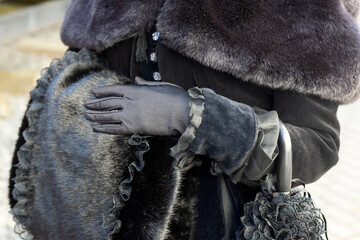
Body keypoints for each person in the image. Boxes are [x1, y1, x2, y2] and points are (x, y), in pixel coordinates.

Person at [9, 1, 360, 239]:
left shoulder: (308, 10)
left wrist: (192, 115)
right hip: (100, 215)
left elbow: (316, 145)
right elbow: (79, 60)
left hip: (219, 224)